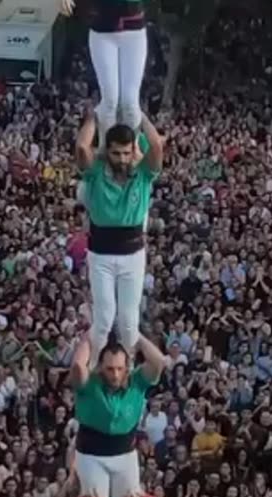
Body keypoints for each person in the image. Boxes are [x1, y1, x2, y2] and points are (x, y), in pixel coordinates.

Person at [74, 114, 163, 358]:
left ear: (133, 150)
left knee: (128, 321)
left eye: (126, 153)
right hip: (101, 255)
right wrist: (96, 116)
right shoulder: (96, 173)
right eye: (116, 153)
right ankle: (95, 365)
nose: (122, 159)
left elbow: (156, 146)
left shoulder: (144, 174)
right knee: (103, 319)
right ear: (107, 152)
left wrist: (138, 114)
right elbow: (82, 146)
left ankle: (128, 367)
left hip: (132, 255)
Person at [69, 332, 165, 497]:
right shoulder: (90, 384)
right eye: (110, 369)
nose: (115, 374)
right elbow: (77, 367)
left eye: (120, 369)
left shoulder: (136, 381)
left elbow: (158, 362)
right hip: (92, 455)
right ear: (100, 367)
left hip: (125, 454)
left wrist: (134, 334)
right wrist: (90, 337)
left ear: (127, 367)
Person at [60, 0, 147, 133]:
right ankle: (105, 145)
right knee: (110, 99)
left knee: (130, 101)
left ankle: (132, 146)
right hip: (102, 30)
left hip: (134, 30)